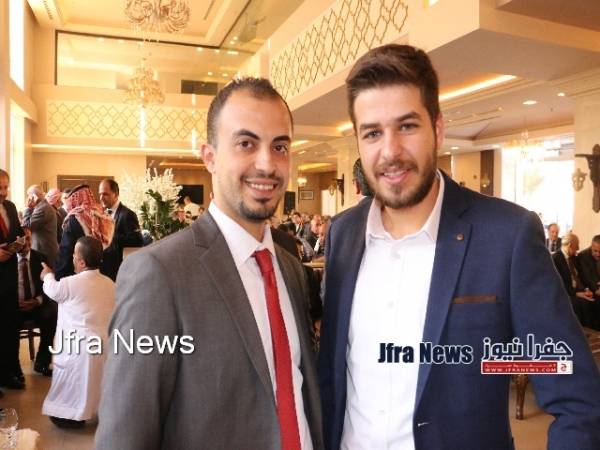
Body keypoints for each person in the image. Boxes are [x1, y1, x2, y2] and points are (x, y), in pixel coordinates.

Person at [318, 44, 600, 450]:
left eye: (407, 126)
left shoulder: (507, 235)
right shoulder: (343, 234)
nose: (390, 151)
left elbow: (576, 397)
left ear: (437, 129)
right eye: (373, 133)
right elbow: (332, 374)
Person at [96, 77, 323, 450]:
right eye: (246, 143)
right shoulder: (158, 274)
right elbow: (124, 437)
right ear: (210, 156)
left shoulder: (290, 269)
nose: (267, 163)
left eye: (280, 146)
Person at [40, 236, 115, 428]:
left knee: (72, 390)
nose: (72, 257)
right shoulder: (110, 283)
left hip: (77, 349)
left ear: (81, 262)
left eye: (74, 254)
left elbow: (52, 290)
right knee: (97, 383)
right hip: (104, 347)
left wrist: (47, 275)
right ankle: (95, 412)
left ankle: (75, 416)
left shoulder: (70, 283)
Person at [17, 227, 57, 377]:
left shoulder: (41, 258)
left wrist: (37, 301)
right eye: (22, 239)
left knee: (52, 315)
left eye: (28, 238)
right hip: (14, 307)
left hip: (37, 305)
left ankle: (42, 363)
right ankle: (12, 367)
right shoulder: (6, 262)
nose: (26, 243)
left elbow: (49, 287)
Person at [0, 169, 26, 391]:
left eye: (5, 187)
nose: (3, 192)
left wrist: (23, 242)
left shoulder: (10, 207)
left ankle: (9, 374)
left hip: (9, 277)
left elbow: (16, 233)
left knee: (10, 327)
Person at [54, 185, 114, 280]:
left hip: (80, 275)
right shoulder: (103, 215)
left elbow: (66, 251)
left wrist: (58, 275)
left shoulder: (74, 218)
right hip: (105, 272)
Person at [98, 179, 143, 281]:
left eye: (105, 194)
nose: (101, 198)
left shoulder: (128, 215)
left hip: (118, 272)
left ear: (116, 194)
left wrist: (110, 237)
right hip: (103, 270)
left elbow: (137, 240)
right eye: (100, 194)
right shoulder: (102, 213)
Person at [552, 233, 596, 328]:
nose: (578, 249)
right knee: (583, 304)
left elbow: (582, 276)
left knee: (594, 300)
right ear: (570, 245)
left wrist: (587, 289)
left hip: (579, 290)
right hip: (567, 293)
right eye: (576, 246)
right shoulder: (556, 259)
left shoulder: (574, 259)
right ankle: (583, 331)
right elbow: (558, 283)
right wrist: (576, 294)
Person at [22, 184, 58, 267]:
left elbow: (27, 225)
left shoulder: (43, 208)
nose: (28, 198)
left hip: (44, 251)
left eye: (28, 196)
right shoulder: (42, 206)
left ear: (33, 196)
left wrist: (27, 208)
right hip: (43, 250)